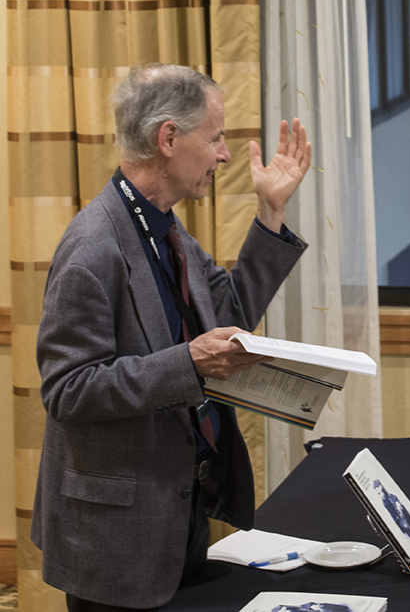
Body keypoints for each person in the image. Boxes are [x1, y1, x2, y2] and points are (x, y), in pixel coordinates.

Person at [31, 63, 312, 611]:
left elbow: (228, 313)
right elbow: (67, 390)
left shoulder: (167, 228)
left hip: (176, 512)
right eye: (215, 138)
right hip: (115, 541)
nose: (225, 155)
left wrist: (270, 211)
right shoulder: (92, 247)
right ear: (168, 138)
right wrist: (188, 363)